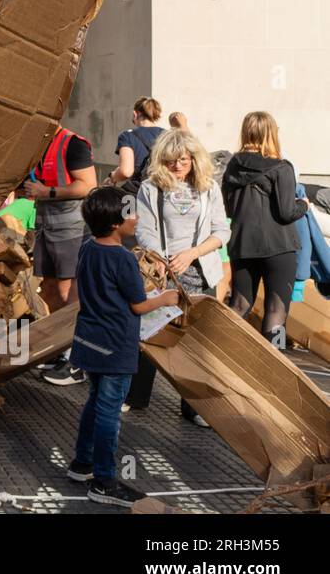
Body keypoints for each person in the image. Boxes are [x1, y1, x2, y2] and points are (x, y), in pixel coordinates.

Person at [64, 187, 179, 508]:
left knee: (95, 402)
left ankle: (82, 464)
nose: (137, 217)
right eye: (131, 212)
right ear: (116, 223)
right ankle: (104, 480)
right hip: (115, 345)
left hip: (88, 340)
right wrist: (167, 298)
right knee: (109, 413)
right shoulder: (123, 258)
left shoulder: (88, 248)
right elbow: (139, 305)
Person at [130, 128, 229, 424]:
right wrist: (160, 257)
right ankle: (135, 397)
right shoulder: (150, 188)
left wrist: (193, 253)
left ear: (194, 159)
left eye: (183, 160)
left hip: (201, 273)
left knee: (197, 343)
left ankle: (194, 407)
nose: (177, 166)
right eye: (172, 161)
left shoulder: (209, 187)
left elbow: (221, 231)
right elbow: (143, 228)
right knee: (149, 335)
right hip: (163, 275)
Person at [221, 111, 308, 347]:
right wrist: (304, 205)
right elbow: (287, 212)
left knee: (239, 305)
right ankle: (276, 364)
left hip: (241, 245)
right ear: (271, 134)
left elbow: (228, 209)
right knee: (276, 310)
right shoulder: (282, 167)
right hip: (279, 248)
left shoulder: (232, 167)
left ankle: (221, 355)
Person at [21, 125, 97, 386]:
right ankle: (58, 348)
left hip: (71, 228)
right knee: (50, 290)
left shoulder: (71, 143)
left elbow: (89, 186)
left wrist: (47, 192)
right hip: (46, 226)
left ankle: (75, 360)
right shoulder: (35, 141)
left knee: (68, 295)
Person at [109, 96, 165, 192]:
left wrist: (112, 177)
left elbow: (126, 172)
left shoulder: (127, 136)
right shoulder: (167, 135)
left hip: (140, 192)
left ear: (135, 114)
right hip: (164, 190)